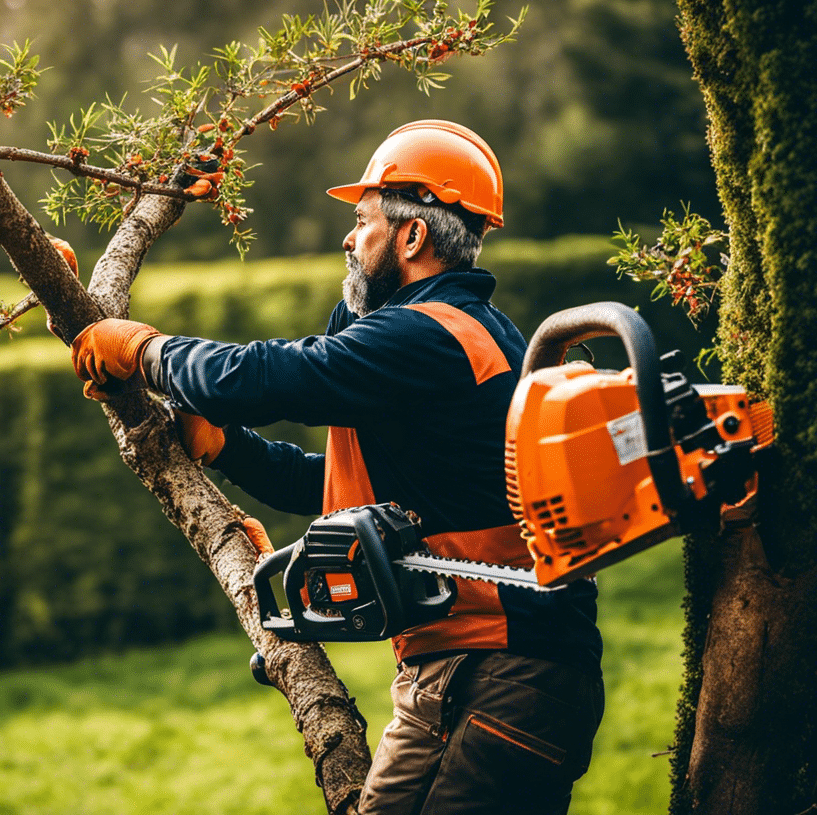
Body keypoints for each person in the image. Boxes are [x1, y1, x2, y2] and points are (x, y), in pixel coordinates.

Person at [70, 120, 604, 814]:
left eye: (363, 220)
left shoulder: (431, 333)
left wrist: (146, 350)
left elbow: (265, 377)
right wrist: (231, 450)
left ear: (412, 237)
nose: (349, 239)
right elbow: (346, 489)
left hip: (509, 672)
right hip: (452, 668)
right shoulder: (443, 331)